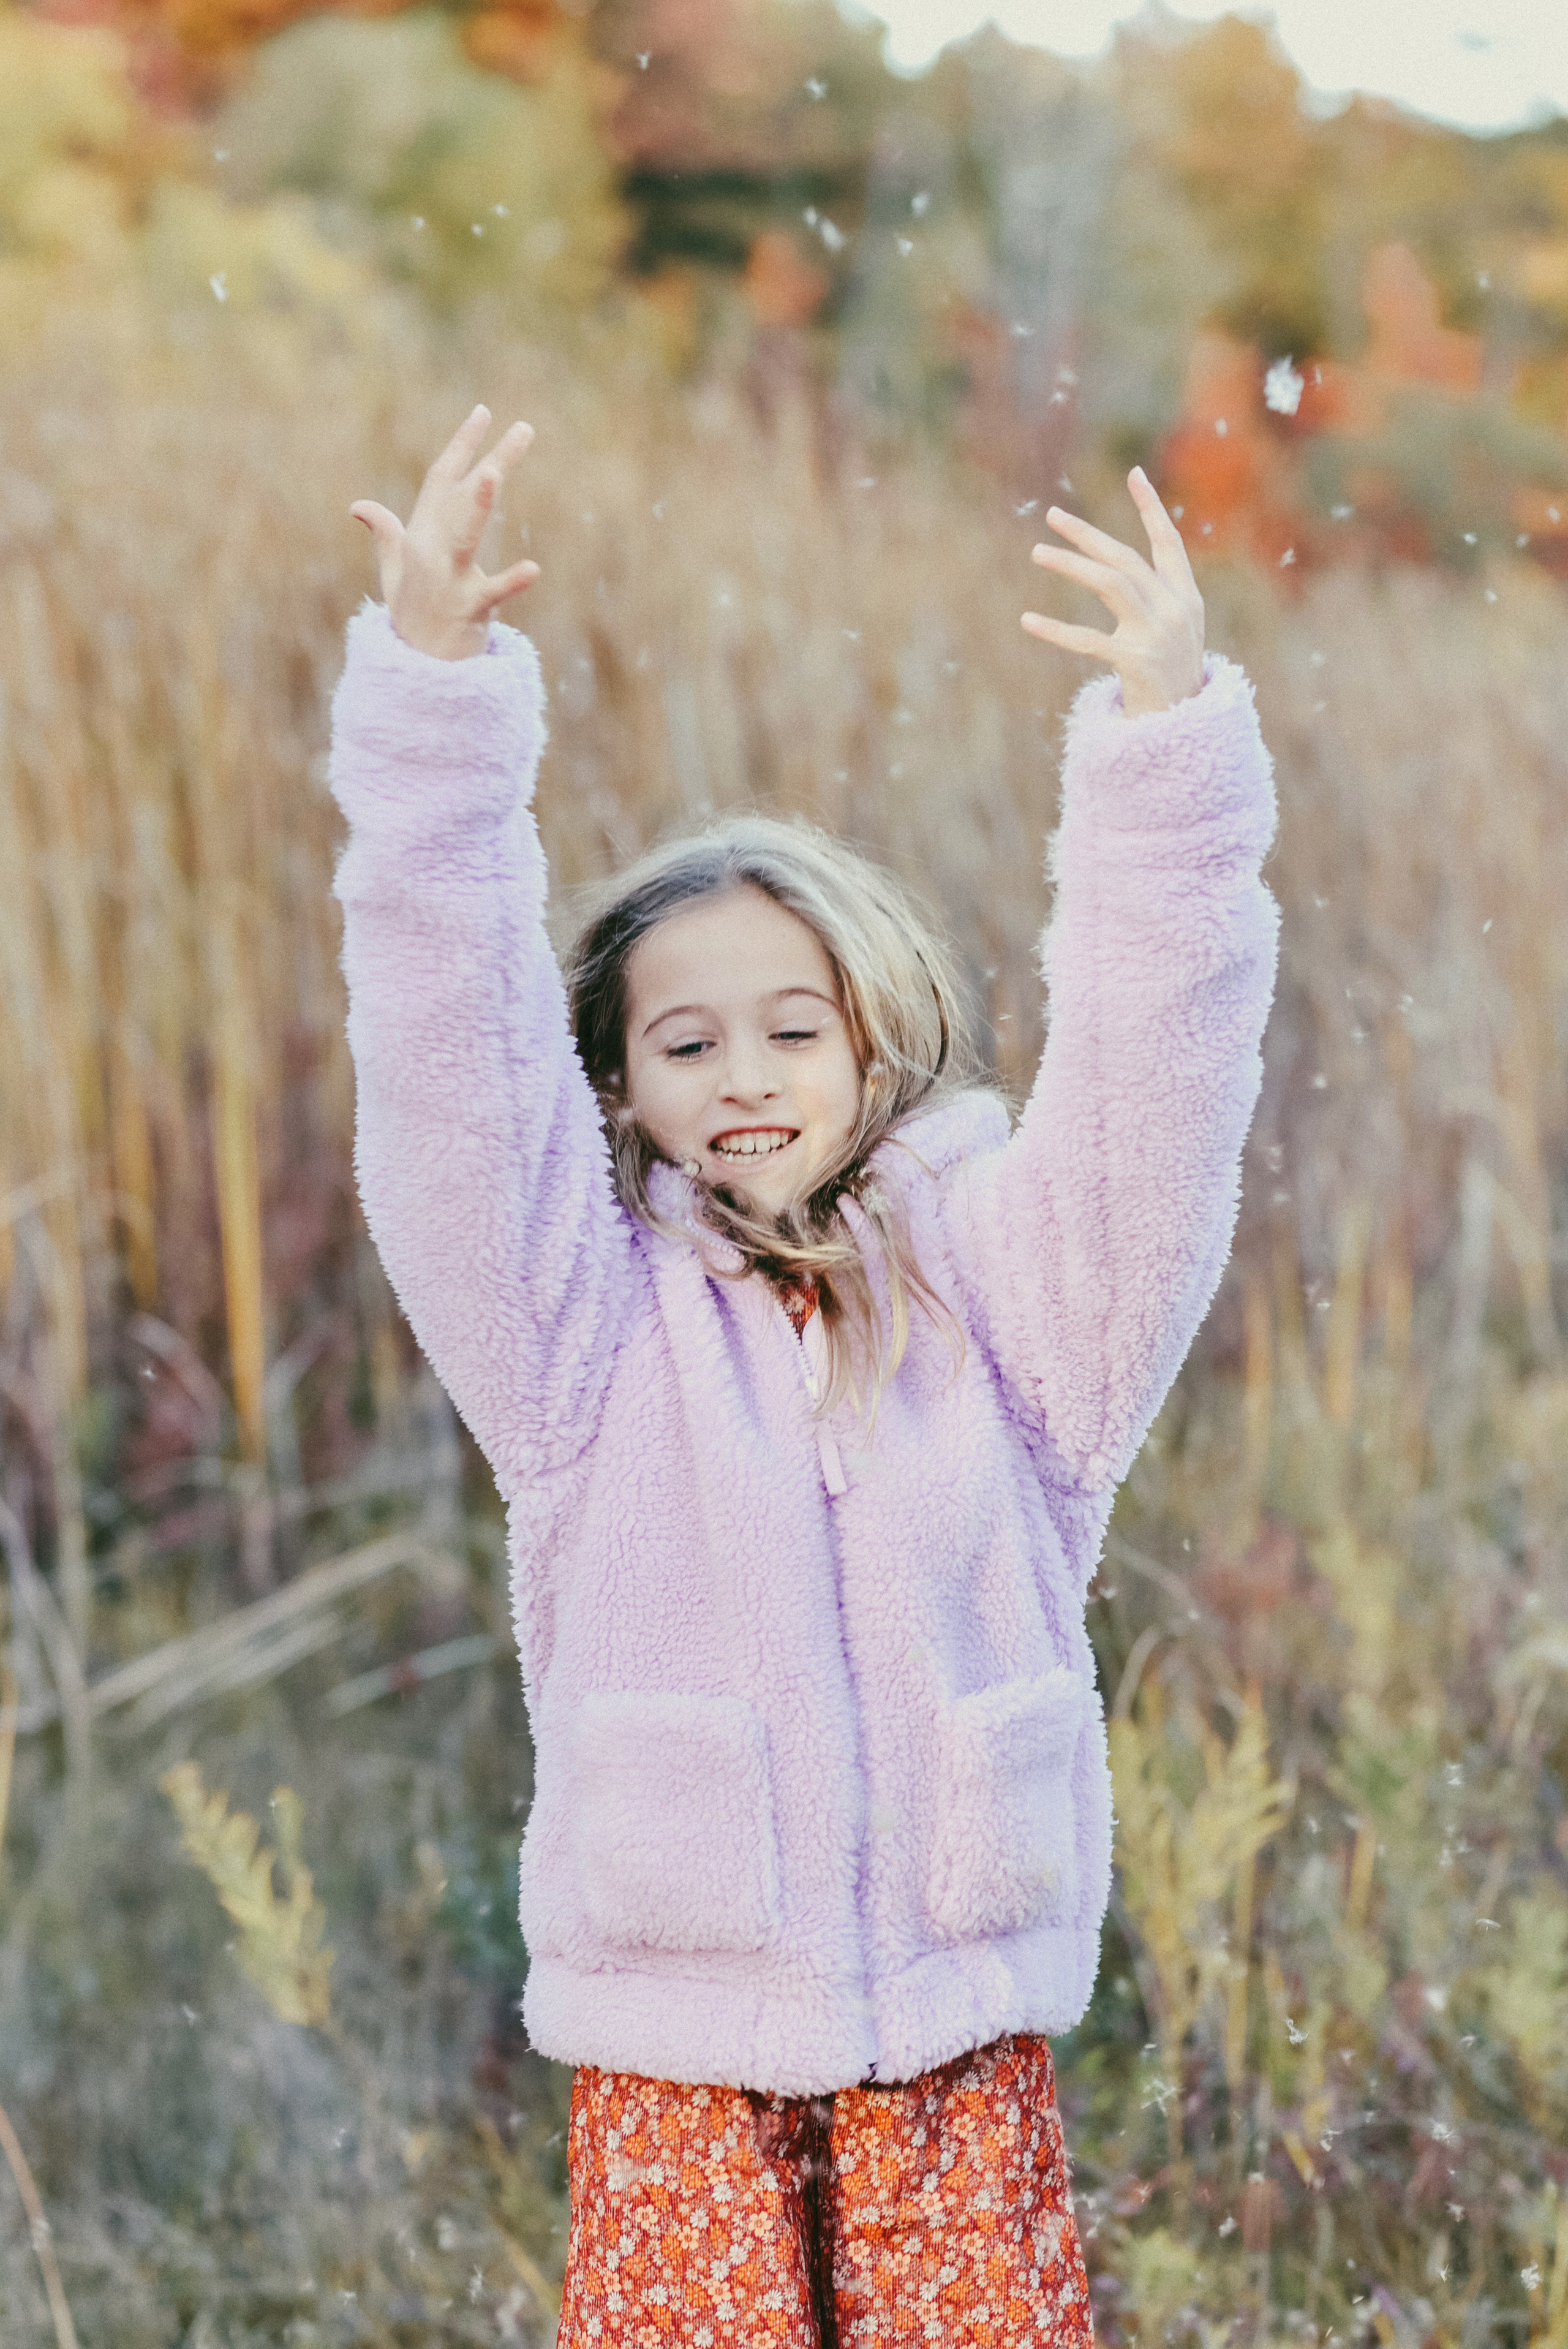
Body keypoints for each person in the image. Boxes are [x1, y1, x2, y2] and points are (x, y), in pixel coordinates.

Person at [331, 405, 1280, 2345]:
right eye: (686, 1041)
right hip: (686, 2049)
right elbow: (447, 1075)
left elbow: (1154, 1115)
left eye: (791, 1024)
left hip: (953, 2040)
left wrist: (1168, 765)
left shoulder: (1011, 1298)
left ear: (876, 1038)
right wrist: (433, 720)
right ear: (620, 1082)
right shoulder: (579, 1336)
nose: (744, 1072)